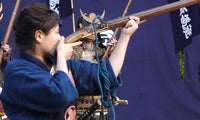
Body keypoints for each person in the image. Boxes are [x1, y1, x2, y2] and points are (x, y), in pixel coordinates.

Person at [0, 3, 140, 120]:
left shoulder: (60, 64)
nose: (61, 38)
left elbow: (107, 76)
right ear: (39, 36)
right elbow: (60, 95)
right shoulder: (17, 72)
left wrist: (125, 36)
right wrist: (61, 57)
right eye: (56, 33)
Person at [73, 12, 118, 120]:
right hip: (80, 106)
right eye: (89, 27)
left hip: (100, 106)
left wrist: (112, 54)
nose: (93, 30)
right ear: (81, 27)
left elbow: (110, 75)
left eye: (96, 27)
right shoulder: (73, 50)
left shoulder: (103, 49)